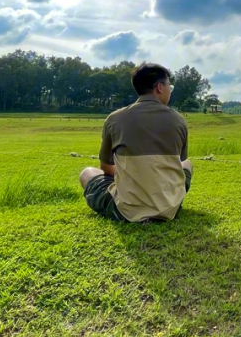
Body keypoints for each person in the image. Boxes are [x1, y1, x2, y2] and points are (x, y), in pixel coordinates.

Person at [79, 62, 193, 223]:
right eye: (170, 86)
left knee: (87, 173)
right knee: (187, 164)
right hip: (170, 208)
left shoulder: (114, 119)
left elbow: (105, 168)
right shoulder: (179, 120)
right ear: (159, 87)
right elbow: (180, 161)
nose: (170, 91)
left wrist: (131, 174)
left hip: (126, 211)